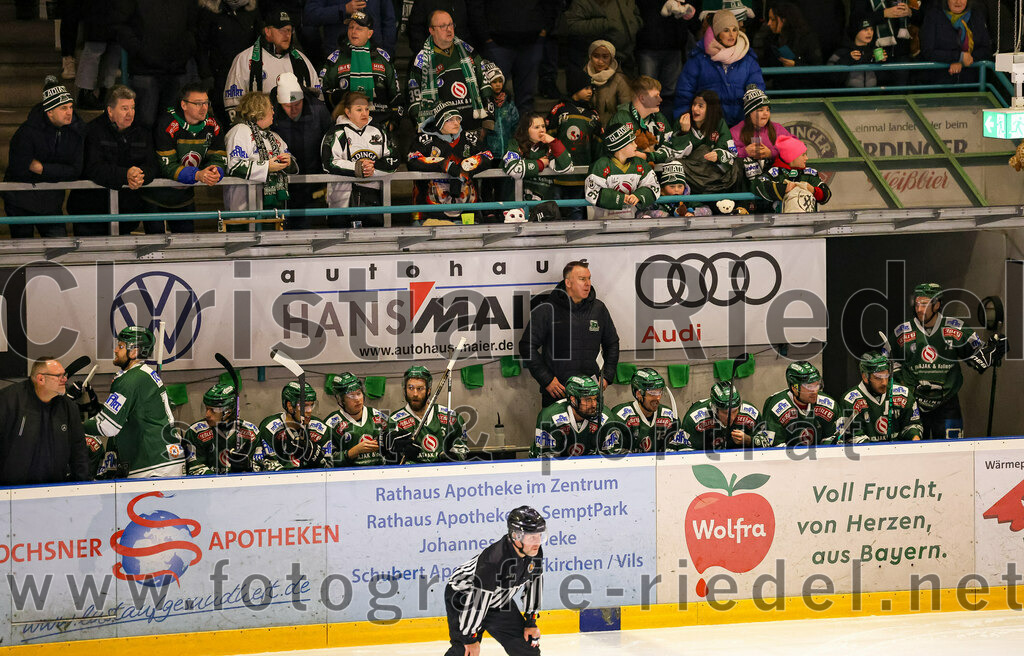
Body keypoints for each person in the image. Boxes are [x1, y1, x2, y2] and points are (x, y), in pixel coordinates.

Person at [887, 283, 1007, 439]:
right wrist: (900, 387)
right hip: (913, 403)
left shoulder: (955, 329)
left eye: (925, 304)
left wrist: (994, 350)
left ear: (937, 304)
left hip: (947, 405)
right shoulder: (902, 332)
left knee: (952, 453)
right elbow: (888, 362)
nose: (919, 309)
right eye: (917, 304)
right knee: (912, 454)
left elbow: (979, 356)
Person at [443, 506, 545, 656]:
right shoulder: (493, 561)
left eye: (540, 536)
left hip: (498, 599)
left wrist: (531, 622)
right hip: (465, 597)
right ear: (516, 536)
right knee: (465, 651)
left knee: (527, 647)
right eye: (532, 537)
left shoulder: (533, 551)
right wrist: (469, 638)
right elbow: (478, 601)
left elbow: (534, 584)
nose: (537, 542)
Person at [83, 327, 184, 478]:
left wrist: (75, 426)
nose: (116, 350)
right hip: (167, 457)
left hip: (152, 463)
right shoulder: (145, 374)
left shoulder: (130, 380)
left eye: (121, 346)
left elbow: (108, 427)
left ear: (134, 352)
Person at [519, 259, 620, 408]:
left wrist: (607, 377)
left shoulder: (599, 309)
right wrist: (546, 379)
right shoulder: (547, 310)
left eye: (589, 278)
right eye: (582, 279)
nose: (588, 283)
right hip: (558, 393)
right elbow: (527, 346)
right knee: (558, 432)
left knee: (592, 432)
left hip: (591, 394)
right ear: (568, 283)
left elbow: (612, 344)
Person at [66, 85, 161, 237]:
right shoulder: (92, 131)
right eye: (124, 108)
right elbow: (93, 168)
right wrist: (126, 174)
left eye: (132, 108)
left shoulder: (143, 132)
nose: (130, 113)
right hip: (90, 213)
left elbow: (152, 165)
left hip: (126, 213)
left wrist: (141, 175)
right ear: (110, 111)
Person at [3, 77, 84, 239]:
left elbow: (75, 170)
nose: (69, 112)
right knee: (23, 254)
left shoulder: (75, 131)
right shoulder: (26, 133)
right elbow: (21, 169)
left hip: (51, 204)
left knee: (60, 252)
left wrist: (43, 168)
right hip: (20, 202)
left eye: (70, 107)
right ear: (50, 112)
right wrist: (58, 171)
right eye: (63, 108)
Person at [0, 357, 91, 486]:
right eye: (59, 376)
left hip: (54, 491)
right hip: (11, 493)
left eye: (64, 375)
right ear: (41, 379)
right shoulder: (8, 401)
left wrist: (83, 488)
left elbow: (79, 451)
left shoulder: (68, 407)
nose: (65, 379)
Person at [149, 83, 226, 233]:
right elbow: (167, 167)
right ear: (183, 104)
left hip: (185, 197)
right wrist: (197, 174)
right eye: (198, 103)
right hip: (155, 196)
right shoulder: (166, 124)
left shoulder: (213, 125)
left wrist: (216, 171)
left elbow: (219, 158)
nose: (204, 108)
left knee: (186, 246)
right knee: (153, 251)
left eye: (206, 103)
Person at [223, 9, 322, 122]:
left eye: (289, 30)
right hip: (259, 129)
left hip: (295, 128)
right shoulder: (244, 59)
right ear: (267, 31)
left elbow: (318, 101)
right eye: (282, 30)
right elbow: (233, 102)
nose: (287, 34)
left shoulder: (302, 61)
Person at [321, 91, 402, 227]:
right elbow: (328, 163)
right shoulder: (336, 132)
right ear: (348, 112)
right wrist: (357, 168)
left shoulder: (379, 131)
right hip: (342, 200)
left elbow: (394, 159)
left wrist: (373, 168)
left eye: (366, 109)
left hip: (374, 198)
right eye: (359, 110)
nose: (364, 113)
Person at [673, 9, 765, 127]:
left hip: (740, 126)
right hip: (707, 126)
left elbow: (757, 93)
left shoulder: (748, 60)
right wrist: (682, 123)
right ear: (717, 33)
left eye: (734, 30)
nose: (731, 35)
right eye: (726, 30)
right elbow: (684, 94)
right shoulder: (698, 59)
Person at [116, 0, 198, 128]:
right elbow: (121, 26)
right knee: (145, 123)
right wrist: (140, 50)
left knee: (171, 125)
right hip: (144, 70)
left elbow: (194, 26)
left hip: (176, 69)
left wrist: (184, 51)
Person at [408, 10, 494, 131]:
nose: (449, 29)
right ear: (431, 30)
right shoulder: (421, 61)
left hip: (473, 127)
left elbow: (485, 86)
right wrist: (426, 129)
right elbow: (415, 99)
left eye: (451, 25)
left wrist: (487, 120)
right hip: (441, 132)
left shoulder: (468, 52)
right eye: (443, 26)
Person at [406, 107, 495, 223]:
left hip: (467, 211)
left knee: (470, 238)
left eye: (458, 119)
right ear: (439, 122)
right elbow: (412, 159)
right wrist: (444, 165)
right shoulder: (424, 139)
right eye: (450, 120)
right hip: (430, 213)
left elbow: (488, 155)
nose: (456, 123)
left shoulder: (469, 138)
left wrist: (467, 165)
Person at [468, 0, 559, 113]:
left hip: (532, 40)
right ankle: (494, 131)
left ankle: (525, 130)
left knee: (526, 101)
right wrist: (484, 36)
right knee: (491, 98)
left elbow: (551, 5)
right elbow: (476, 5)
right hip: (496, 41)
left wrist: (545, 28)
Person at [318, 11, 404, 131]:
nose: (353, 31)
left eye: (359, 28)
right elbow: (321, 93)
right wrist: (341, 96)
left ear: (370, 34)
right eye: (351, 27)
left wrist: (393, 123)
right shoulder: (335, 58)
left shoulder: (383, 58)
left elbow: (396, 96)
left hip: (380, 125)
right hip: (345, 126)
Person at [271, 72, 334, 222]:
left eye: (297, 104)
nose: (293, 110)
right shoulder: (271, 111)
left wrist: (325, 178)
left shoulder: (318, 109)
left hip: (312, 179)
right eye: (287, 106)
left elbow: (330, 143)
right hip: (282, 180)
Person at [225, 91, 299, 213]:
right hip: (243, 208)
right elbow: (234, 166)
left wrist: (289, 162)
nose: (274, 112)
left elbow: (293, 165)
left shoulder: (274, 137)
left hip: (274, 208)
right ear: (259, 109)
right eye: (271, 108)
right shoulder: (240, 131)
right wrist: (267, 166)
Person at [547, 66, 603, 221]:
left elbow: (599, 144)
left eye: (591, 88)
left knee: (577, 209)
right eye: (586, 88)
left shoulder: (593, 115)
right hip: (557, 173)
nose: (590, 91)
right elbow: (548, 137)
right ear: (575, 88)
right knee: (554, 209)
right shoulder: (559, 109)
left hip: (581, 173)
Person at [383, 365, 469, 464]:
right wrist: (399, 454)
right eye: (410, 388)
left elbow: (462, 448)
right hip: (411, 476)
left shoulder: (451, 417)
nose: (415, 394)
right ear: (404, 390)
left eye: (420, 388)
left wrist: (454, 456)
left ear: (428, 390)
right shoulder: (395, 420)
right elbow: (390, 459)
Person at [183, 382, 273, 475]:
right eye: (206, 409)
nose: (207, 415)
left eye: (213, 410)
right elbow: (195, 468)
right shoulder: (196, 432)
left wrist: (248, 466)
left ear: (228, 411)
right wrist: (224, 481)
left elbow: (260, 468)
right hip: (210, 488)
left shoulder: (251, 432)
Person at [197, 0, 261, 126]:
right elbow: (201, 46)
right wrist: (206, 75)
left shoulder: (252, 10)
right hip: (220, 78)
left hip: (248, 78)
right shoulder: (210, 11)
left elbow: (259, 43)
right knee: (223, 122)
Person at [838, 352, 923, 443]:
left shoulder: (903, 394)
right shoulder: (851, 401)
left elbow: (912, 425)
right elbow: (853, 437)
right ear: (865, 377)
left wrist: (914, 436)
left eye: (886, 376)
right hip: (868, 455)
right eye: (878, 378)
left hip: (898, 454)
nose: (884, 383)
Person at [531, 375, 623, 457]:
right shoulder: (550, 418)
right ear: (573, 400)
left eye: (595, 399)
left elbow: (611, 457)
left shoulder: (605, 417)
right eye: (588, 400)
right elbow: (546, 464)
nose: (594, 404)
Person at [669, 89, 739, 194]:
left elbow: (730, 150)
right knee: (676, 164)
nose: (694, 109)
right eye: (694, 104)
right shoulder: (682, 122)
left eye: (700, 106)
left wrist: (718, 155)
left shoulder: (719, 123)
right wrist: (683, 133)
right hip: (690, 171)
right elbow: (674, 153)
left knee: (737, 164)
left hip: (711, 170)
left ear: (711, 109)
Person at [583, 124, 660, 219]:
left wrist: (638, 196)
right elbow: (592, 192)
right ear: (620, 146)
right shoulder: (600, 166)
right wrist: (621, 198)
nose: (636, 145)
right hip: (603, 223)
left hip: (633, 223)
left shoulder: (641, 164)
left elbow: (653, 186)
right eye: (631, 143)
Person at [635, 0, 696, 113]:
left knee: (670, 95)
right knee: (647, 92)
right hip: (649, 44)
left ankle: (666, 127)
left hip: (675, 45)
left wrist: (686, 8)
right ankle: (646, 128)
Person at [256, 382, 334, 469]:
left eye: (311, 405)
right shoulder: (270, 428)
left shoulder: (320, 428)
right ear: (290, 406)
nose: (310, 410)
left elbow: (330, 468)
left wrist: (318, 460)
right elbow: (268, 467)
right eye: (304, 406)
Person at [761, 361, 840, 447]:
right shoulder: (776, 408)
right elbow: (775, 447)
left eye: (817, 385)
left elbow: (832, 438)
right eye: (809, 387)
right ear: (794, 388)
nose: (815, 391)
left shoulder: (828, 405)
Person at [751, 134, 832, 213]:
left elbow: (826, 194)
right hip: (780, 223)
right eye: (803, 155)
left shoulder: (809, 173)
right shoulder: (775, 172)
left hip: (808, 222)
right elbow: (756, 185)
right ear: (792, 157)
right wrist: (783, 189)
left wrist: (814, 191)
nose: (806, 158)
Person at [730, 86, 793, 186]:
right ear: (749, 112)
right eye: (760, 110)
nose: (765, 113)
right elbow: (726, 153)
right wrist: (744, 152)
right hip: (744, 183)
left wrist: (771, 153)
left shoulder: (777, 129)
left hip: (774, 182)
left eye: (768, 109)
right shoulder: (735, 131)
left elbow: (795, 148)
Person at [676, 381, 767, 451]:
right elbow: (682, 451)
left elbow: (768, 444)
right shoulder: (694, 419)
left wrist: (748, 440)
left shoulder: (751, 413)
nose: (731, 417)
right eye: (725, 413)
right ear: (715, 409)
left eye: (735, 411)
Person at [503, 113, 574, 202]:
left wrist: (554, 142)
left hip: (544, 206)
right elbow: (514, 168)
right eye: (536, 127)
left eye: (543, 126)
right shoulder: (514, 144)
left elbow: (567, 168)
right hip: (516, 205)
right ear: (526, 130)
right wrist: (541, 164)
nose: (542, 130)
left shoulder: (550, 146)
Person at [606, 76, 677, 164]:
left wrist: (649, 156)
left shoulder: (659, 117)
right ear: (642, 98)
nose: (660, 99)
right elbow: (620, 155)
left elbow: (672, 147)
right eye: (656, 96)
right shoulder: (621, 118)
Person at [610, 368, 684, 452]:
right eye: (652, 393)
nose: (658, 397)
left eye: (659, 392)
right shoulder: (621, 416)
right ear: (639, 394)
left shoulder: (669, 416)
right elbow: (611, 450)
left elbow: (679, 450)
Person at [919, 0, 993, 83]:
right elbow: (927, 51)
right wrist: (958, 57)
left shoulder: (976, 15)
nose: (958, 2)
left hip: (971, 83)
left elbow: (986, 49)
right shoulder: (933, 15)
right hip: (939, 82)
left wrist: (963, 61)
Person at [324, 372, 387, 466]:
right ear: (342, 399)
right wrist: (352, 452)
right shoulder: (331, 423)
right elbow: (326, 461)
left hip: (379, 474)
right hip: (348, 477)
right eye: (351, 396)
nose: (357, 399)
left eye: (359, 393)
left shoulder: (378, 416)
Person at [565, 0, 643, 74]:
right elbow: (571, 24)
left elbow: (635, 13)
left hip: (625, 60)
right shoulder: (584, 2)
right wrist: (605, 24)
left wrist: (636, 23)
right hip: (596, 64)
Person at [305, 0, 398, 61]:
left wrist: (387, 52)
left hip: (374, 56)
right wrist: (343, 9)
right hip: (337, 57)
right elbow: (311, 15)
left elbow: (389, 20)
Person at [582, 41, 632, 126]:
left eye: (605, 57)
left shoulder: (620, 80)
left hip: (613, 130)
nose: (600, 61)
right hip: (589, 130)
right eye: (596, 56)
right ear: (590, 57)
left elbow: (626, 112)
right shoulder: (583, 77)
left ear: (611, 58)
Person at [827, 20, 886, 88]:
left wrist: (880, 61)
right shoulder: (842, 51)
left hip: (873, 94)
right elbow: (830, 75)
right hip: (849, 95)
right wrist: (848, 58)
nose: (870, 32)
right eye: (865, 29)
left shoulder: (875, 50)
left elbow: (885, 78)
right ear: (855, 31)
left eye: (871, 29)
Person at [634, 162, 702, 218]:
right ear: (663, 190)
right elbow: (639, 213)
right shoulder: (656, 201)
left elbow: (707, 210)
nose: (676, 190)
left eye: (680, 186)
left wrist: (693, 213)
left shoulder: (689, 200)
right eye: (672, 187)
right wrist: (658, 214)